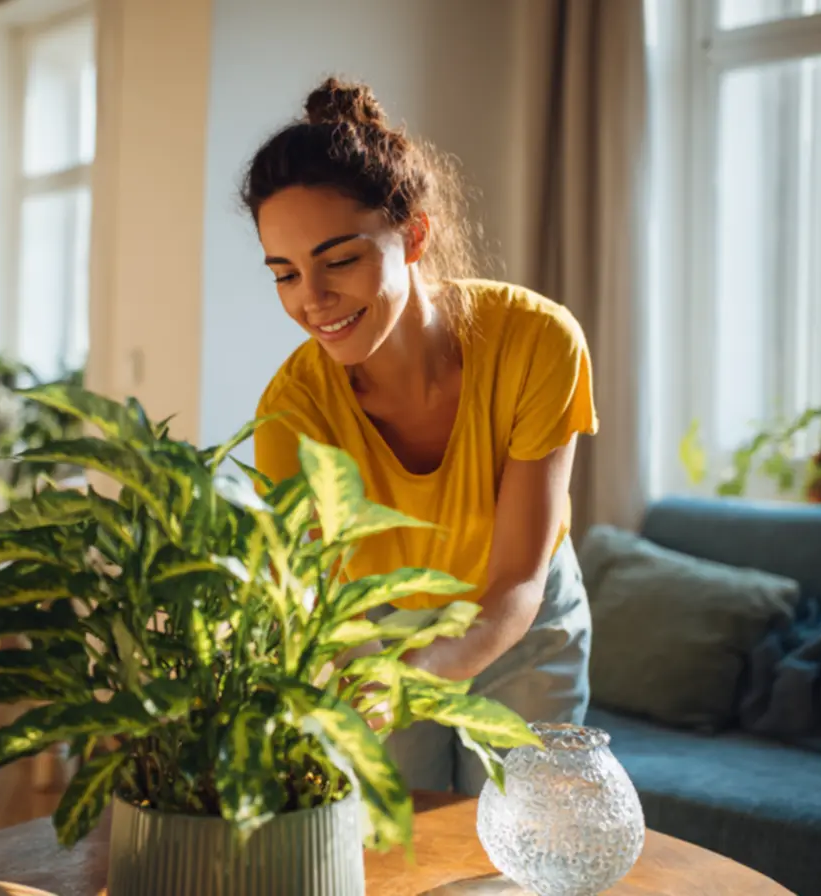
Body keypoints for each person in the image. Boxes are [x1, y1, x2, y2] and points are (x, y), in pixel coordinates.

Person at [243, 77, 598, 797]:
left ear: (413, 235)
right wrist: (380, 678)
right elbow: (324, 602)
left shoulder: (536, 341)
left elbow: (516, 583)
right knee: (398, 847)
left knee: (523, 846)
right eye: (285, 273)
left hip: (521, 619)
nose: (312, 300)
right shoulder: (291, 414)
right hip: (376, 634)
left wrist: (424, 674)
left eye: (338, 260)